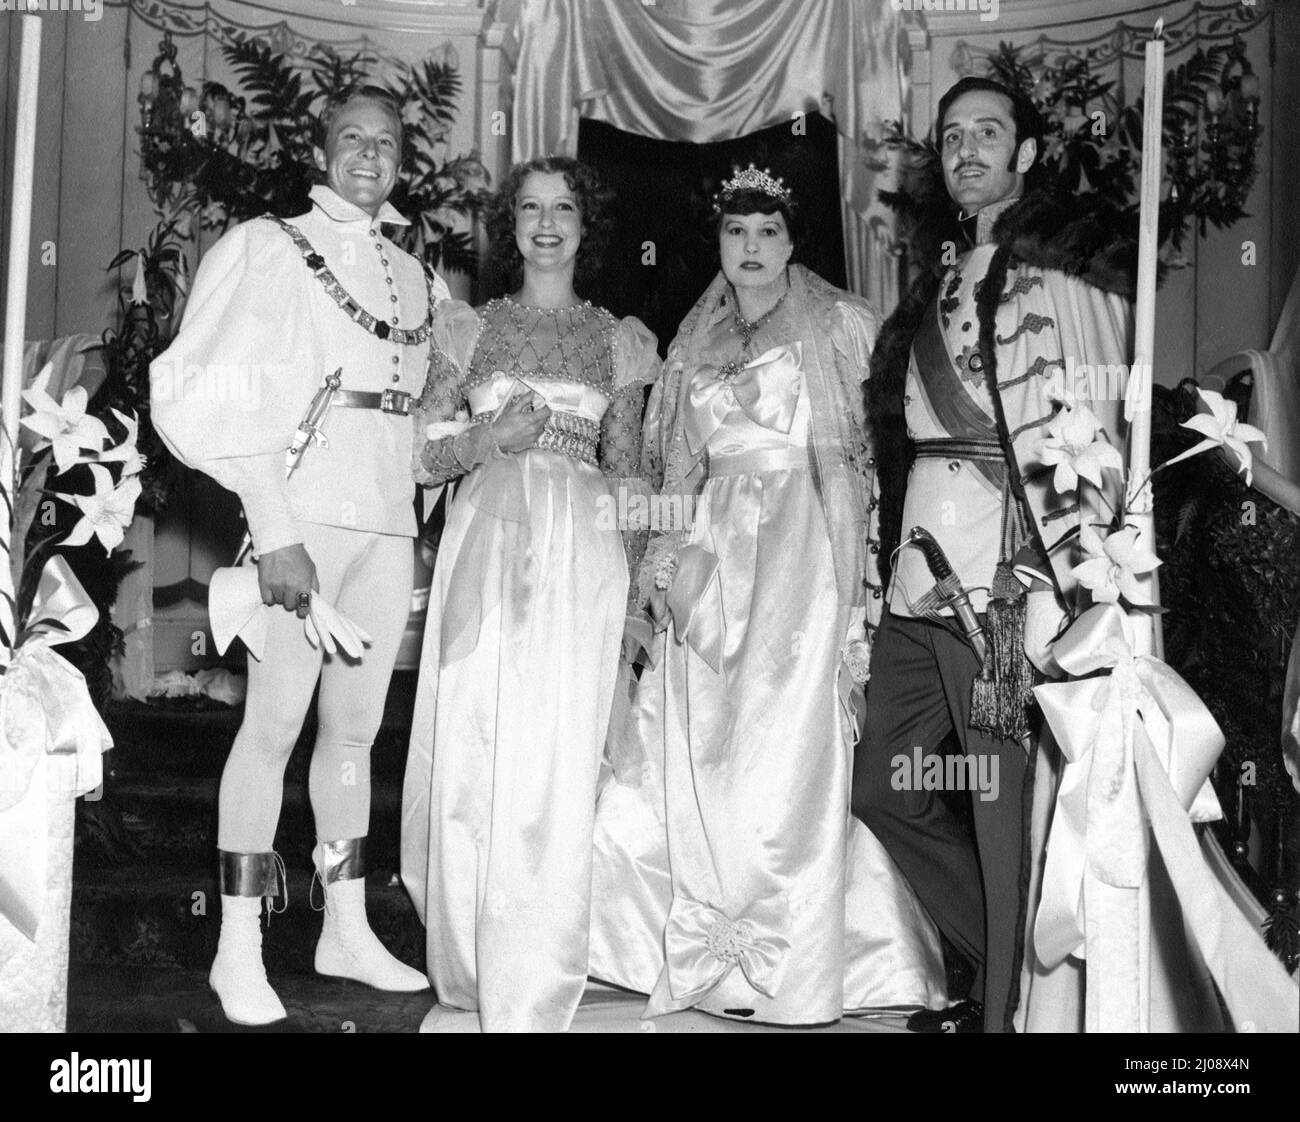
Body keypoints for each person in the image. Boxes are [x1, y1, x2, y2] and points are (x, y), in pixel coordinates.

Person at [589, 167, 946, 1025]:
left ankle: (808, 957)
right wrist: (662, 569)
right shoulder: (689, 345)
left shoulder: (837, 326)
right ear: (719, 245)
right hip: (711, 556)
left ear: (792, 244)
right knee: (696, 736)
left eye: (767, 234)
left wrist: (865, 582)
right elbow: (677, 470)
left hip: (801, 555)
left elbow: (865, 460)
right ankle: (687, 947)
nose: (750, 250)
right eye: (735, 234)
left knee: (789, 749)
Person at [852, 76, 1133, 1033]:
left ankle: (1007, 1015)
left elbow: (1087, 427)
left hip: (1004, 576)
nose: (968, 148)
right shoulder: (937, 270)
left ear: (1026, 152)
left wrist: (1068, 565)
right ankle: (996, 969)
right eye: (953, 135)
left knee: (998, 803)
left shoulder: (1060, 267)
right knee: (886, 784)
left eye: (988, 132)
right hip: (916, 575)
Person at [150, 86, 436, 1025]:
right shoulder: (269, 246)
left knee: (353, 737)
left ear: (402, 158)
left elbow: (415, 415)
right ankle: (238, 947)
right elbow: (195, 391)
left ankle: (343, 925)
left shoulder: (413, 272)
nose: (368, 154)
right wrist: (274, 527)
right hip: (304, 525)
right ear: (323, 148)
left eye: (385, 142)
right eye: (351, 138)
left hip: (388, 529)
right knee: (270, 732)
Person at [399, 157, 659, 1033]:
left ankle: (545, 957)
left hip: (584, 556)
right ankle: (476, 956)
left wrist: (636, 591)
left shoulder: (619, 339)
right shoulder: (467, 329)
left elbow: (628, 468)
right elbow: (416, 453)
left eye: (565, 209)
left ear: (588, 226)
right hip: (486, 547)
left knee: (560, 745)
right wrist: (486, 435)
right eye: (530, 210)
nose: (547, 224)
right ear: (508, 225)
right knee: (479, 734)